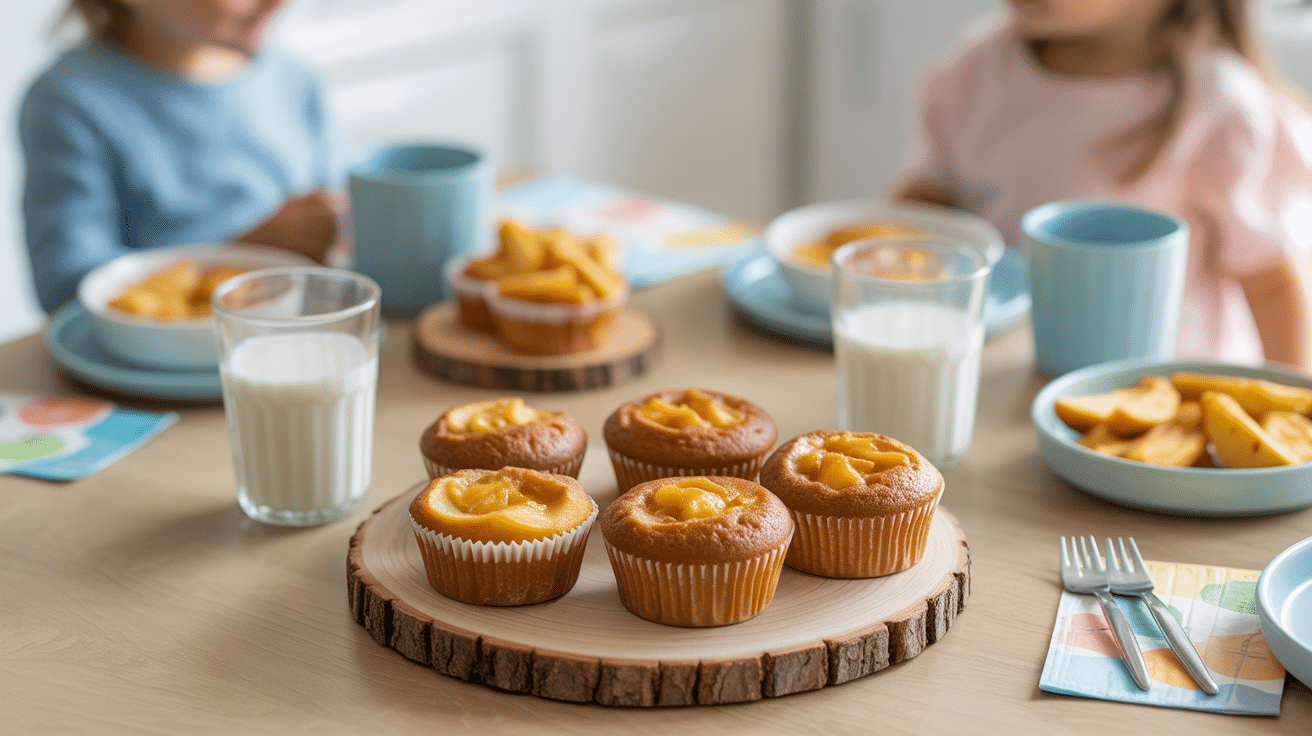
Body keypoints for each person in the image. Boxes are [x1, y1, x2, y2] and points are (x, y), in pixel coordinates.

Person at [892, 0, 1312, 368]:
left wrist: (1294, 416)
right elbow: (928, 205)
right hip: (1007, 380)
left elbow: (1272, 286)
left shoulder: (1222, 106)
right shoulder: (977, 67)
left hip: (1171, 406)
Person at [19, 0, 344, 314]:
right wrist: (244, 257)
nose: (279, 2)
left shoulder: (296, 80)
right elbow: (62, 287)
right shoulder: (70, 101)